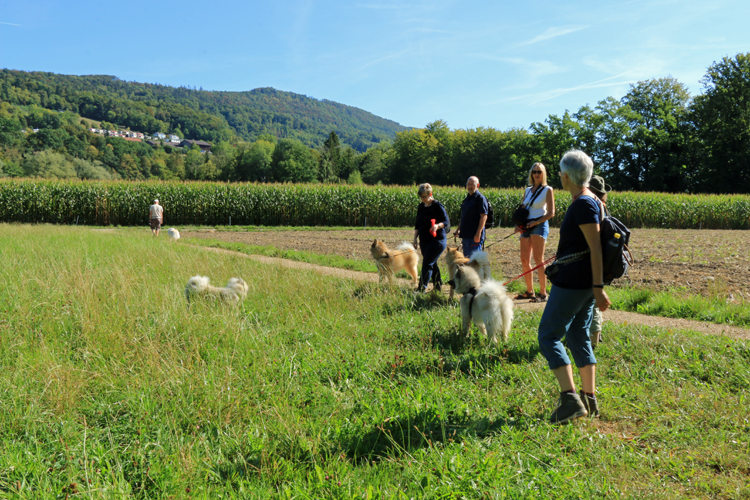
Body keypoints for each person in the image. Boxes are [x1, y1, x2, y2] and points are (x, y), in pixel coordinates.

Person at [537, 150, 611, 424]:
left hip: (574, 283)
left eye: (560, 173)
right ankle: (589, 399)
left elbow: (595, 249)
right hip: (583, 284)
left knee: (548, 336)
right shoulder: (593, 201)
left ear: (567, 176)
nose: (558, 176)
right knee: (579, 335)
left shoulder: (582, 204)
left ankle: (570, 400)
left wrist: (598, 287)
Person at [515, 162, 555, 302]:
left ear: (543, 174)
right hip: (526, 226)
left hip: (539, 224)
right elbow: (523, 209)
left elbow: (551, 213)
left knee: (539, 260)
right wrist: (518, 225)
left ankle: (543, 293)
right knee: (524, 259)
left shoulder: (547, 190)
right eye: (534, 172)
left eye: (539, 171)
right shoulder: (527, 190)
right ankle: (529, 291)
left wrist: (536, 222)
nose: (536, 174)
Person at [587, 175, 612, 347]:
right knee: (593, 301)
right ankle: (597, 335)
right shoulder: (603, 207)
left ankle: (594, 342)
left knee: (592, 301)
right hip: (602, 261)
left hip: (591, 260)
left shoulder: (592, 207)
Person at [413, 183, 450, 293]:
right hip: (424, 240)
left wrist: (437, 226)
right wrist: (415, 239)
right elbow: (417, 225)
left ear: (430, 194)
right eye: (421, 196)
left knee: (427, 263)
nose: (423, 199)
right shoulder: (421, 207)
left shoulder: (437, 206)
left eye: (425, 196)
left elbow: (446, 221)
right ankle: (438, 286)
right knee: (432, 263)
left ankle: (421, 289)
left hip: (437, 241)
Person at [455, 176, 488, 258]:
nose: (469, 186)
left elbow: (484, 216)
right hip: (465, 236)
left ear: (478, 185)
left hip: (474, 237)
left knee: (474, 263)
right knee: (468, 262)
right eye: (468, 184)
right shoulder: (467, 199)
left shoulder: (480, 198)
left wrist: (478, 233)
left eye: (472, 184)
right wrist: (458, 229)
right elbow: (464, 216)